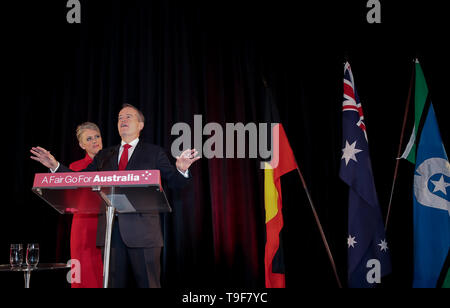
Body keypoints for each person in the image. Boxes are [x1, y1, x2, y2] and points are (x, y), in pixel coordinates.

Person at [31, 104, 199, 288]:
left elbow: (175, 183)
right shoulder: (104, 155)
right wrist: (55, 166)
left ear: (140, 125)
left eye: (128, 116)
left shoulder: (154, 152)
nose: (123, 120)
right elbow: (79, 180)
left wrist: (181, 169)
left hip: (143, 233)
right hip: (110, 234)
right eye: (120, 118)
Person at [69, 122, 104, 288]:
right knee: (83, 273)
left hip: (107, 224)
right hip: (83, 226)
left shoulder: (114, 164)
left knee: (105, 272)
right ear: (82, 144)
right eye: (89, 139)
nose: (94, 141)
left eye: (97, 136)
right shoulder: (75, 167)